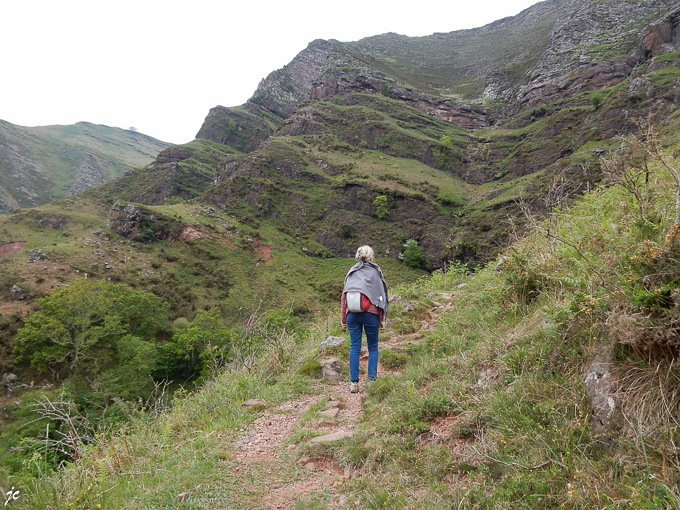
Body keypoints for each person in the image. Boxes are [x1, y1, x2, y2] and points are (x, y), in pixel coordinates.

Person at [341, 245, 389, 393]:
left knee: (354, 346)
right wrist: (381, 318)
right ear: (371, 257)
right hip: (371, 313)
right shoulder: (375, 272)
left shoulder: (352, 272)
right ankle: (371, 381)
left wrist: (344, 318)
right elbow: (380, 295)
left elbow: (344, 297)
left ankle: (354, 383)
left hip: (352, 314)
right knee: (372, 347)